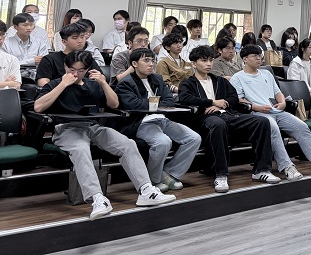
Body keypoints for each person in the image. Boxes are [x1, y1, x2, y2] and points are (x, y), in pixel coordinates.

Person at [34, 50, 175, 219]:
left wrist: (103, 83)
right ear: (65, 66)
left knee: (127, 144)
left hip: (93, 127)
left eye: (81, 70)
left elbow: (114, 104)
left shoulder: (92, 84)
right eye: (72, 69)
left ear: (87, 70)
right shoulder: (55, 84)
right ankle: (97, 199)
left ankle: (146, 190)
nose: (76, 74)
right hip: (66, 129)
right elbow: (38, 107)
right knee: (80, 149)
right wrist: (63, 84)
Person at [177, 45, 281, 193]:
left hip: (227, 115)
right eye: (204, 60)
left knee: (262, 121)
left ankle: (261, 170)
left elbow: (233, 96)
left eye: (211, 60)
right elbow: (185, 98)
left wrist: (222, 103)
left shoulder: (219, 80)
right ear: (194, 64)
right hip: (204, 118)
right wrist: (212, 102)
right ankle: (220, 174)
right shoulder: (188, 83)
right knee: (218, 124)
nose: (208, 64)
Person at [231, 45, 311, 177]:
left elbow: (278, 93)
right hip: (258, 114)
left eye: (259, 55)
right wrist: (256, 107)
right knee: (273, 129)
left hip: (276, 111)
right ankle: (287, 167)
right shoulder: (237, 77)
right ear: (245, 59)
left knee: (302, 126)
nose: (258, 58)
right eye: (254, 56)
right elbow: (238, 100)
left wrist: (282, 103)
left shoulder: (266, 74)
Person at [116, 48, 202, 190]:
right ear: (135, 63)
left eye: (153, 60)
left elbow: (169, 100)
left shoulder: (157, 78)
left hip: (162, 118)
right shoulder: (126, 83)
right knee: (163, 142)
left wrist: (153, 105)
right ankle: (153, 180)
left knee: (194, 138)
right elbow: (134, 105)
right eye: (146, 60)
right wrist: (156, 104)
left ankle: (169, 173)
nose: (151, 64)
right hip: (141, 122)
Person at [287, 38, 311, 106]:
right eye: (309, 47)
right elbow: (295, 83)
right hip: (299, 91)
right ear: (302, 49)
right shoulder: (295, 63)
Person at [0, 22, 22, 90]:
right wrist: (5, 83)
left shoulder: (12, 59)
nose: (0, 38)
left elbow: (16, 84)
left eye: (2, 34)